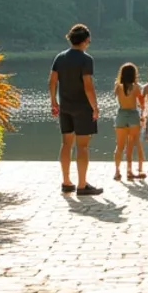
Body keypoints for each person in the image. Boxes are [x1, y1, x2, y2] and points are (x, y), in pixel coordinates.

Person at [48, 24, 102, 196]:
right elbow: (88, 86)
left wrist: (53, 102)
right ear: (86, 40)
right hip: (83, 108)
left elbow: (52, 81)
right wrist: (95, 107)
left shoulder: (60, 57)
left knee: (66, 144)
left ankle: (66, 182)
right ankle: (82, 185)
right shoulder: (86, 59)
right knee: (83, 147)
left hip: (65, 107)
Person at [112, 63, 147, 182]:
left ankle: (117, 172)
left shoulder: (117, 86)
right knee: (131, 145)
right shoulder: (137, 87)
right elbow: (142, 104)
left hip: (121, 115)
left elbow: (117, 96)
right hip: (133, 115)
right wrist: (142, 115)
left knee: (120, 146)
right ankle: (129, 170)